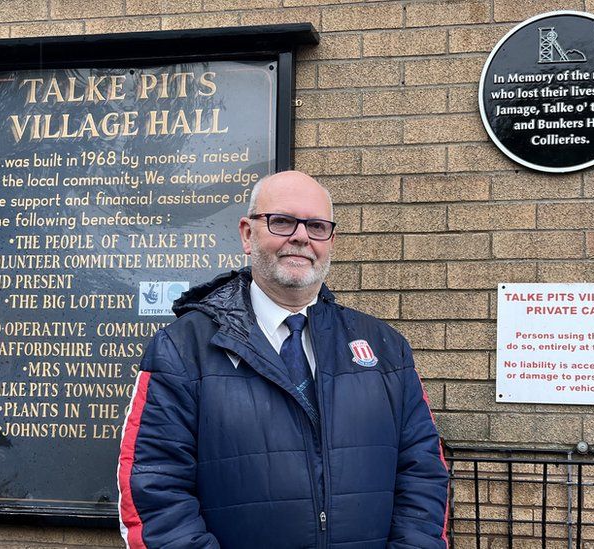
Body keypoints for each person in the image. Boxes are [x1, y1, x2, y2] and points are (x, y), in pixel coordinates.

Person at [118, 170, 448, 548]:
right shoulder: (182, 350)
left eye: (317, 226)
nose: (301, 236)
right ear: (247, 233)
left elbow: (422, 477)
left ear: (331, 240)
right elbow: (155, 490)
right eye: (282, 221)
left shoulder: (387, 350)